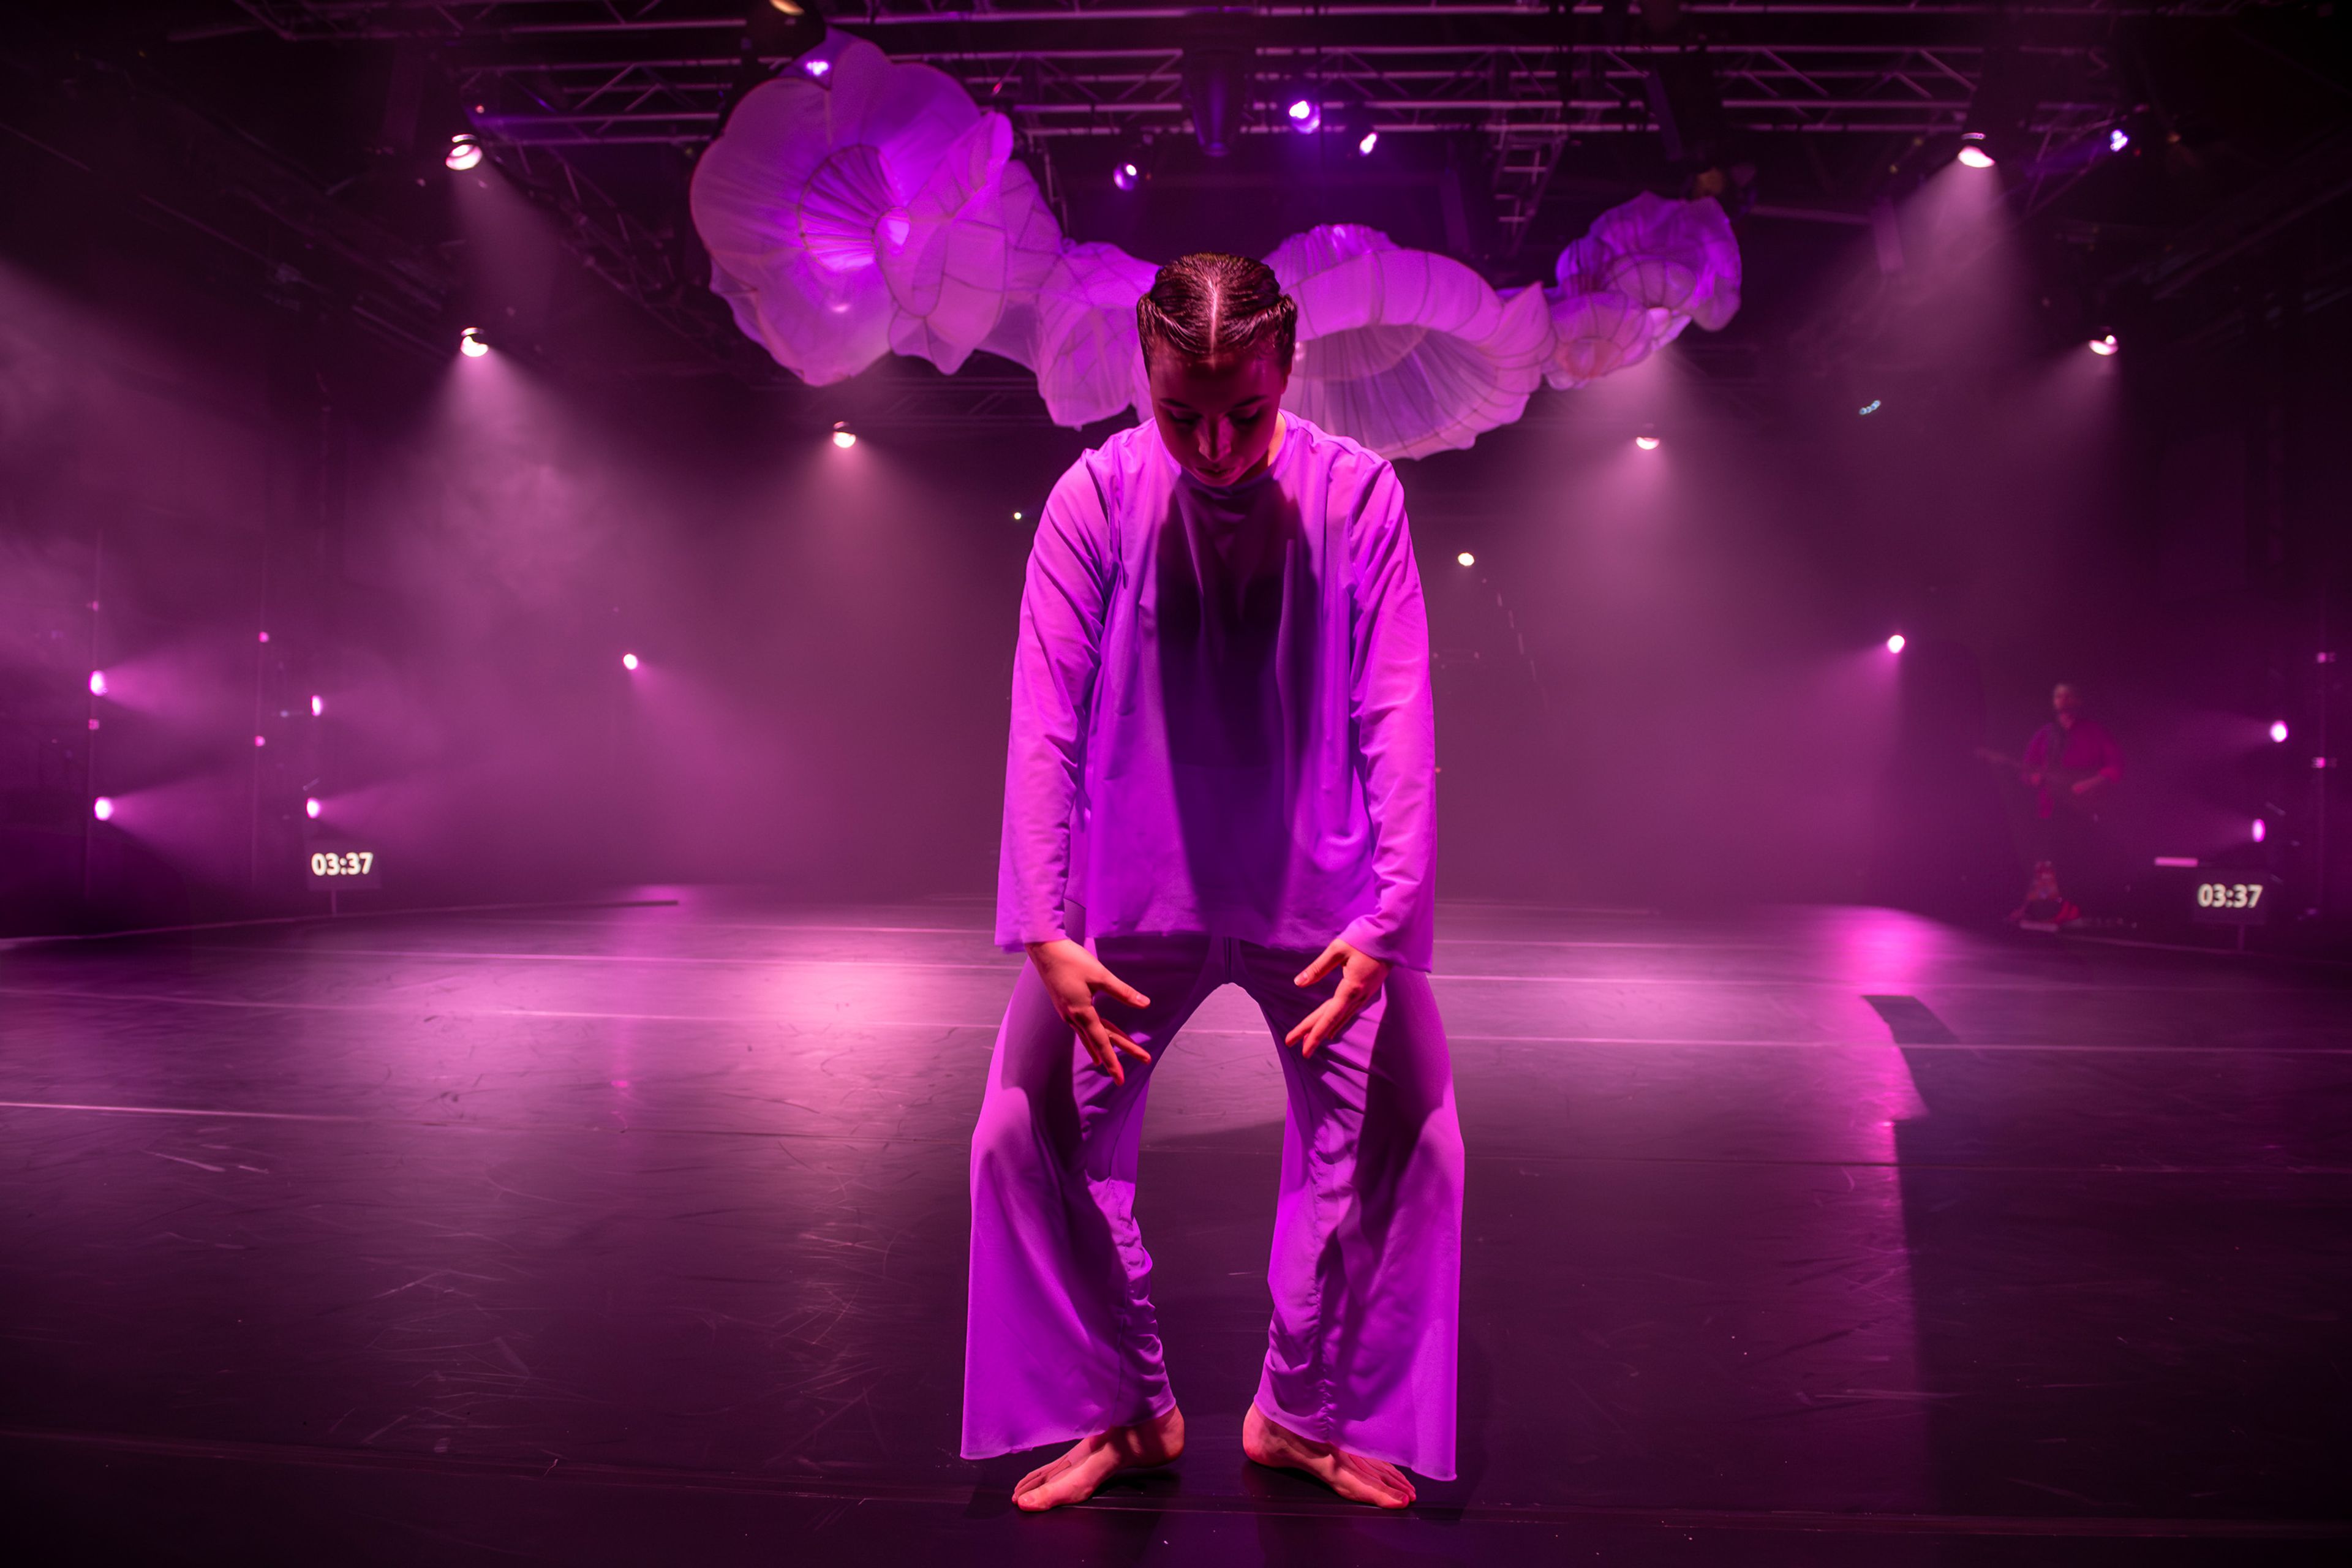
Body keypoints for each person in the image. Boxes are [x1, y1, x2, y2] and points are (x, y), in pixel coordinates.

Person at [962, 254, 1461, 1513]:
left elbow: (1397, 709)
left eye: (1244, 409)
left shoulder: (1360, 498)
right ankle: (1123, 1404)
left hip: (1320, 890)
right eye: (1184, 413)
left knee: (1412, 1141)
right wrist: (1047, 931)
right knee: (1022, 1135)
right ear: (1147, 375)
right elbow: (1045, 725)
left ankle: (1304, 1408)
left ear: (1288, 366)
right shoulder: (1094, 498)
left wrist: (1388, 919)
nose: (1219, 443)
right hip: (1135, 894)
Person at [2011, 682, 2124, 918]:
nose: (2063, 701)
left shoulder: (2094, 732)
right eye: (2059, 697)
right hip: (2051, 807)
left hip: (2080, 810)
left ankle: (2071, 906)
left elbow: (2115, 768)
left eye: (2069, 697)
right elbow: (2027, 768)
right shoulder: (2046, 734)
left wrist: (2087, 785)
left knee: (2071, 858)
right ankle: (2041, 906)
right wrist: (2033, 778)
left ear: (2078, 701)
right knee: (2044, 858)